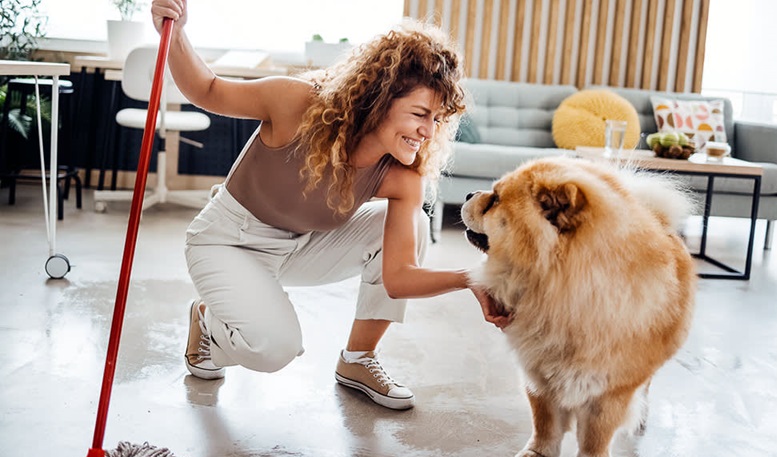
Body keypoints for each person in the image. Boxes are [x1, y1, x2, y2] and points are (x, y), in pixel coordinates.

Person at [151, 0, 511, 410]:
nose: (428, 131)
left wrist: (472, 276)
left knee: (410, 227)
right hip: (228, 242)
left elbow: (398, 278)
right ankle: (209, 324)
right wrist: (176, 32)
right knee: (275, 348)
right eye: (420, 114)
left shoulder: (401, 177)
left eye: (438, 119)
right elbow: (207, 89)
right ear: (381, 98)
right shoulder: (295, 104)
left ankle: (358, 359)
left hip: (300, 248)